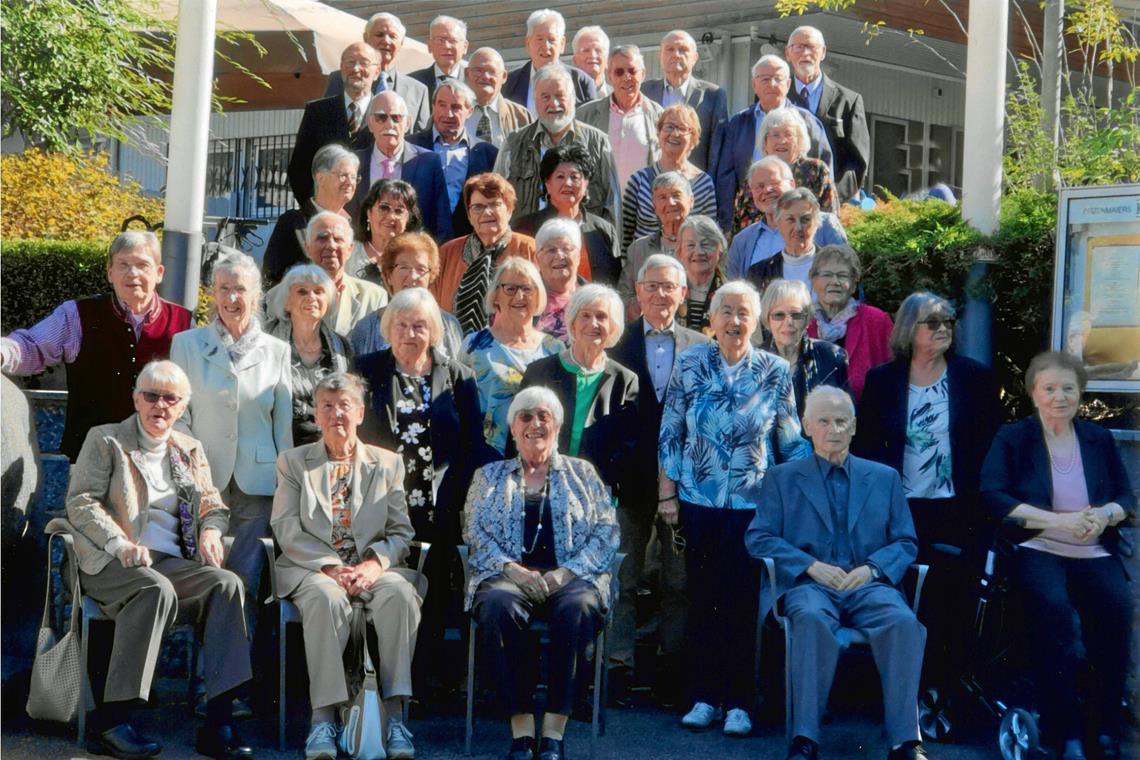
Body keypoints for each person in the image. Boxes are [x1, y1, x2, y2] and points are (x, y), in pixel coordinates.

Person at [63, 360, 252, 760]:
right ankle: (112, 721)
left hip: (169, 561)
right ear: (136, 399)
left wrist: (211, 530)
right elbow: (81, 503)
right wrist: (120, 545)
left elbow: (212, 504)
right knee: (154, 588)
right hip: (109, 561)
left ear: (182, 407)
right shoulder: (107, 440)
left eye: (170, 398)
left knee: (227, 584)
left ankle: (218, 720)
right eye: (151, 395)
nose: (160, 405)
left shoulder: (188, 448)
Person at [658, 280, 810, 736]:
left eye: (744, 312)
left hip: (752, 506)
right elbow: (670, 433)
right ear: (712, 318)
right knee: (703, 599)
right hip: (699, 501)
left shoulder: (775, 370)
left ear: (757, 320)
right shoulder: (689, 363)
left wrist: (801, 499)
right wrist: (667, 494)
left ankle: (740, 703)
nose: (735, 321)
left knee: (744, 602)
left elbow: (789, 441)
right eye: (726, 311)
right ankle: (704, 697)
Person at [745, 386, 928, 760]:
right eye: (824, 421)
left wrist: (873, 570)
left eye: (842, 421)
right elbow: (759, 537)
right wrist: (809, 565)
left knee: (903, 622)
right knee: (810, 618)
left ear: (855, 427)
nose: (833, 429)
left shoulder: (884, 478)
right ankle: (805, 740)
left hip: (868, 586)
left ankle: (905, 742)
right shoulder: (782, 478)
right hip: (810, 585)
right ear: (807, 427)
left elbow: (906, 542)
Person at [980, 351, 1134, 760]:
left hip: (1093, 548)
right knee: (1054, 612)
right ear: (1033, 393)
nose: (1059, 396)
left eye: (1068, 388)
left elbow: (1126, 498)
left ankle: (1103, 728)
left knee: (1117, 608)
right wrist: (1057, 522)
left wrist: (1103, 515)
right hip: (1038, 546)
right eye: (1049, 388)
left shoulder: (1097, 439)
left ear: (1080, 394)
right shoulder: (1013, 437)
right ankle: (1062, 729)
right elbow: (994, 496)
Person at [855, 291, 1001, 697]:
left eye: (947, 322)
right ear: (908, 329)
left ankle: (938, 691)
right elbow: (865, 449)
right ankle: (895, 691)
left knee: (948, 598)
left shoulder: (974, 378)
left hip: (957, 509)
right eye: (932, 322)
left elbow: (989, 447)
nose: (943, 330)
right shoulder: (882, 381)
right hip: (899, 509)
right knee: (899, 599)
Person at [270, 372, 423, 760]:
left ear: (359, 412)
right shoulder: (293, 463)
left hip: (373, 569)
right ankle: (322, 720)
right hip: (313, 570)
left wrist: (374, 565)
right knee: (325, 599)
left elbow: (401, 532)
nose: (336, 413)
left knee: (400, 595)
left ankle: (396, 718)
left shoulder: (387, 464)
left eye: (344, 406)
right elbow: (285, 527)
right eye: (327, 406)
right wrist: (330, 567)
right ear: (316, 416)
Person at [463, 387, 619, 760]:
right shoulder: (489, 476)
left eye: (543, 416)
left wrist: (566, 573)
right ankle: (521, 730)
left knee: (579, 606)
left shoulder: (584, 473)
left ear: (558, 425)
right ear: (513, 429)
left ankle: (553, 730)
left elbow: (607, 531)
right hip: (508, 577)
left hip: (571, 577)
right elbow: (474, 530)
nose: (535, 424)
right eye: (525, 417)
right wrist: (513, 570)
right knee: (498, 603)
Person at [354, 288, 495, 696]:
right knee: (384, 588)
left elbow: (471, 444)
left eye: (420, 325)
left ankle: (420, 682)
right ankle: (376, 680)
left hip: (438, 506)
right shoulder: (367, 371)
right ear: (387, 329)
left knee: (432, 592)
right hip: (381, 505)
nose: (411, 333)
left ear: (434, 331)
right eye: (402, 324)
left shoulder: (457, 375)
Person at [171, 251, 293, 662]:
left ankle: (230, 687)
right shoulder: (186, 345)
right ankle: (203, 683)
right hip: (202, 483)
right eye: (223, 288)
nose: (231, 297)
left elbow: (283, 427)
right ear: (212, 294)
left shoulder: (277, 350)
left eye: (240, 288)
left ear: (256, 296)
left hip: (256, 486)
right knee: (206, 579)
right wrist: (194, 471)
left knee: (245, 580)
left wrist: (286, 486)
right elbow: (177, 416)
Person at [608, 254, 710, 704]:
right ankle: (617, 669)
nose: (660, 295)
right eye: (652, 286)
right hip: (629, 483)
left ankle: (674, 670)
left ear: (683, 294)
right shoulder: (616, 343)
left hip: (684, 484)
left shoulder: (701, 348)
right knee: (622, 578)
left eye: (670, 287)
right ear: (638, 291)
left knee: (678, 582)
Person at [0, 230, 192, 463]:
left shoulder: (184, 323)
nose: (133, 273)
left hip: (158, 461)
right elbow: (32, 346)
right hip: (89, 459)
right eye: (123, 264)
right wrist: (4, 352)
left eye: (143, 265)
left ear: (159, 273)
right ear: (110, 273)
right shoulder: (77, 315)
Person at [519, 284, 638, 503]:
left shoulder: (625, 380)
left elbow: (626, 449)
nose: (593, 324)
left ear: (613, 327)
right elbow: (518, 434)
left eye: (601, 317)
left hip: (595, 494)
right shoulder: (540, 372)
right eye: (585, 315)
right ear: (573, 322)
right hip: (540, 490)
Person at [711, 55, 832, 232]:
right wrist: (727, 222)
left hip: (802, 227)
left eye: (778, 78)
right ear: (754, 85)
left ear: (788, 84)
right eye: (765, 79)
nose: (772, 84)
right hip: (751, 220)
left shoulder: (808, 122)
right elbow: (726, 176)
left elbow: (826, 174)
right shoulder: (739, 122)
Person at [458, 258, 565, 454]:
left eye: (527, 288)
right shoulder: (474, 345)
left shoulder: (554, 348)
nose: (520, 296)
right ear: (496, 295)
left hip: (539, 455)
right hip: (485, 455)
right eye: (510, 289)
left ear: (538, 295)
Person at [494, 63, 620, 227]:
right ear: (535, 101)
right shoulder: (514, 143)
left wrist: (614, 250)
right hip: (528, 242)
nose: (554, 104)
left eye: (560, 96)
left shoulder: (598, 142)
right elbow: (497, 198)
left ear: (573, 98)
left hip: (583, 244)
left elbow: (613, 206)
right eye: (545, 97)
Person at [435, 173, 538, 333]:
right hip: (455, 350)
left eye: (495, 205)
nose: (487, 212)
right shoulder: (447, 253)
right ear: (469, 216)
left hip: (514, 349)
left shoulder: (531, 249)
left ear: (509, 210)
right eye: (478, 207)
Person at [264, 264, 352, 447]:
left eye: (319, 291)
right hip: (278, 448)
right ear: (287, 301)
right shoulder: (266, 342)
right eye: (302, 292)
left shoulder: (342, 347)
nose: (311, 297)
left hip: (328, 450)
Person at [287, 42, 379, 210]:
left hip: (372, 221)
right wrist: (317, 209)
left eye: (364, 63)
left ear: (377, 71)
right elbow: (298, 169)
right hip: (326, 218)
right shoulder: (318, 112)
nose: (356, 69)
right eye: (350, 62)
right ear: (341, 68)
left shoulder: (386, 114)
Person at [266, 212, 388, 336]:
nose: (331, 246)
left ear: (350, 249)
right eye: (322, 238)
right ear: (307, 248)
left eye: (338, 239)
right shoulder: (278, 296)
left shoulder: (374, 297)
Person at [785, 25, 870, 203]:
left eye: (812, 47)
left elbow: (857, 163)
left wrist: (834, 196)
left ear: (823, 52)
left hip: (832, 201)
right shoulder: (778, 98)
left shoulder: (848, 101)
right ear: (788, 53)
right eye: (799, 47)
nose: (805, 53)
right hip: (785, 201)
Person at [725, 157, 847, 279]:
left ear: (792, 184)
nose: (767, 190)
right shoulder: (742, 241)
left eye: (774, 183)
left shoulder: (824, 225)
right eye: (760, 186)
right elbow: (733, 288)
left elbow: (845, 273)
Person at [354, 91, 452, 241]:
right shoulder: (354, 163)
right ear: (370, 123)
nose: (389, 124)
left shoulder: (429, 162)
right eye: (381, 117)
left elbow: (442, 225)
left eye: (396, 117)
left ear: (407, 124)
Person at [349, 231, 464, 359]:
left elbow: (458, 372)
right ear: (389, 276)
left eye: (421, 269)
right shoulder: (366, 328)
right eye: (404, 267)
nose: (413, 277)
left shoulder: (449, 325)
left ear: (431, 278)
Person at [515, 143, 619, 285]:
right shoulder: (526, 227)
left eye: (574, 177)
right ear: (547, 184)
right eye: (560, 177)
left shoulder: (603, 230)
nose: (568, 183)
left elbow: (616, 280)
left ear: (586, 183)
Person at [407, 79, 499, 238]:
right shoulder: (410, 147)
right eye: (442, 105)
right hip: (420, 243)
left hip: (469, 244)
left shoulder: (488, 154)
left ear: (469, 111)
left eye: (456, 107)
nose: (448, 114)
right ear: (433, 106)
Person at [621, 104, 718, 253]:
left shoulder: (704, 183)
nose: (674, 133)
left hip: (686, 268)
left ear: (693, 139)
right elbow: (625, 236)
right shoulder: (638, 180)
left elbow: (708, 236)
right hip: (644, 268)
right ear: (659, 133)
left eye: (682, 129)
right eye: (669, 127)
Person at [266, 145, 362, 291]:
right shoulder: (294, 224)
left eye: (354, 177)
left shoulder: (357, 226)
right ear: (320, 178)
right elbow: (272, 278)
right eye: (343, 175)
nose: (350, 182)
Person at [805, 244, 893, 401]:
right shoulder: (802, 322)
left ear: (853, 285)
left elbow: (895, 376)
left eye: (843, 275)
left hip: (865, 419)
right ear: (813, 281)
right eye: (827, 275)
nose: (835, 281)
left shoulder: (877, 322)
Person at [324, 12, 430, 132]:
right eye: (379, 35)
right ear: (365, 38)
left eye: (392, 36)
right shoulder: (340, 78)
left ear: (401, 43)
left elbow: (421, 141)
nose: (386, 41)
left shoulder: (417, 91)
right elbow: (324, 124)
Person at [734, 108, 837, 230]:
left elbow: (831, 221)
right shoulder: (756, 175)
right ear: (765, 142)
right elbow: (738, 226)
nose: (782, 141)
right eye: (775, 135)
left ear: (799, 141)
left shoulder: (816, 170)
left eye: (788, 135)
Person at [758, 279, 848, 417]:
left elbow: (845, 416)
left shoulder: (832, 357)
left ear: (807, 319)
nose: (788, 322)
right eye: (778, 315)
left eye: (796, 315)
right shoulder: (751, 362)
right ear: (767, 320)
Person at [576, 45, 663, 189]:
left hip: (642, 206)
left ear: (643, 74)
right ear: (609, 76)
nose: (626, 77)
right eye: (619, 72)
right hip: (601, 206)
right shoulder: (585, 115)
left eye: (632, 71)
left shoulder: (659, 116)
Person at [642, 30, 728, 172]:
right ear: (660, 56)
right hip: (649, 181)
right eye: (670, 49)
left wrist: (707, 187)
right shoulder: (644, 91)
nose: (676, 55)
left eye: (683, 50)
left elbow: (717, 151)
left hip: (693, 184)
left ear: (694, 58)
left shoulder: (713, 95)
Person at [618, 172, 694, 311]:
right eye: (662, 197)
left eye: (676, 195)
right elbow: (624, 297)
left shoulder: (706, 247)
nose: (670, 203)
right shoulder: (638, 249)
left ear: (691, 201)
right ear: (654, 207)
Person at [501, 8, 598, 111]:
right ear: (528, 43)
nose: (546, 46)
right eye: (540, 39)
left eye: (552, 39)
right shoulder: (509, 83)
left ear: (562, 44)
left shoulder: (582, 83)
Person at [344, 177, 423, 286]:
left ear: (408, 219)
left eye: (399, 210)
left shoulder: (416, 257)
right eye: (384, 208)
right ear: (369, 213)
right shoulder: (347, 253)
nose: (391, 216)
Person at [746, 188, 823, 295]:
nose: (798, 227)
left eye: (805, 219)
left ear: (816, 224)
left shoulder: (833, 265)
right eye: (790, 219)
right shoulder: (760, 272)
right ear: (778, 223)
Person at [465, 47, 534, 148]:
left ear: (504, 77)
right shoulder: (454, 112)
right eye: (478, 70)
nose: (485, 76)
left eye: (492, 71)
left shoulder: (520, 115)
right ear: (467, 73)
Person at [532, 218, 586, 342]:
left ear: (578, 255)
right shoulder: (525, 296)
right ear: (538, 258)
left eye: (566, 249)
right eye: (551, 250)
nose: (559, 255)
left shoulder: (594, 298)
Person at [674, 215, 727, 334]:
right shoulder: (669, 291)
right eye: (690, 245)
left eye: (706, 244)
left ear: (720, 249)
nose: (698, 252)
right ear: (679, 252)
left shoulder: (732, 294)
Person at [408, 15, 469, 100]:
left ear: (465, 47)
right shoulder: (412, 82)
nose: (446, 46)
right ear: (429, 45)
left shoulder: (475, 81)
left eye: (453, 41)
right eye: (440, 40)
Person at [572, 26, 611, 98]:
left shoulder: (619, 97)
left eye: (598, 50)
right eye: (586, 50)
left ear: (607, 60)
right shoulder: (566, 98)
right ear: (575, 60)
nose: (592, 55)